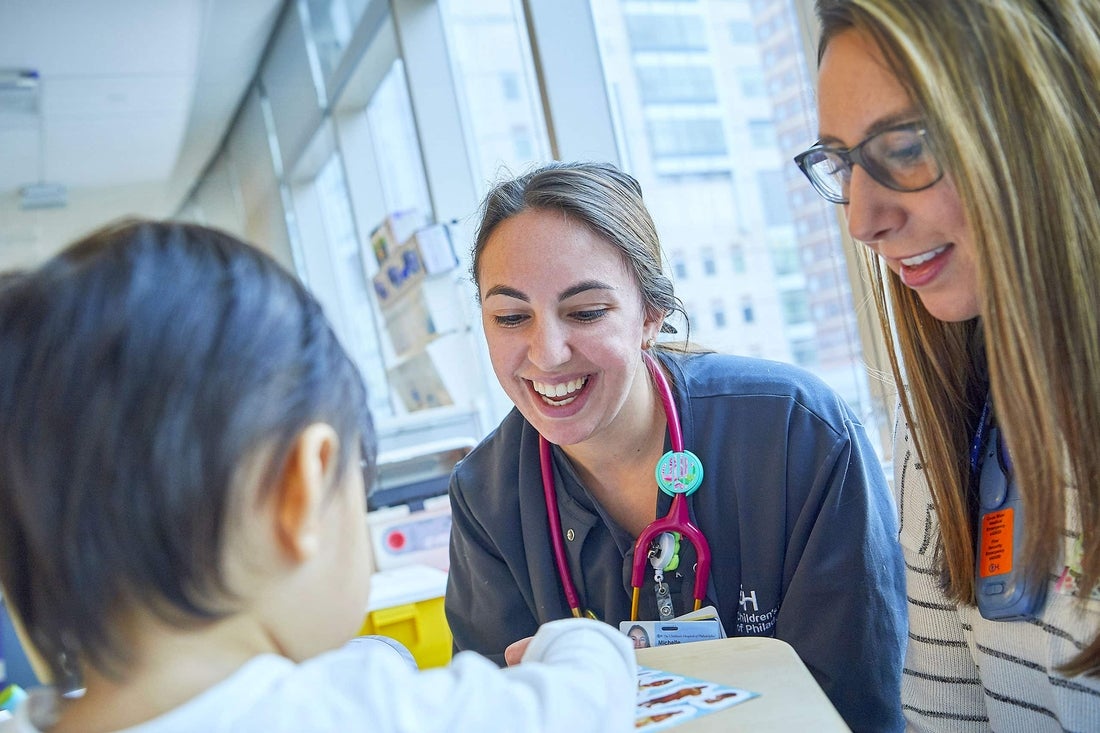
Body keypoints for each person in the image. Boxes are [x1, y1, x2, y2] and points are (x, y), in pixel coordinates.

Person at [0, 220, 636, 733]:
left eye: (583, 312)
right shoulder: (362, 712)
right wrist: (578, 640)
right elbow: (585, 698)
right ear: (301, 491)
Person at [445, 160, 907, 731]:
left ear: (652, 314)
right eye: (511, 317)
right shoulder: (485, 497)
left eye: (586, 312)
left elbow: (857, 704)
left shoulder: (796, 435)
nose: (548, 353)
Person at [795, 1, 1100, 729]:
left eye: (904, 147)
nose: (861, 220)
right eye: (842, 163)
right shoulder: (940, 423)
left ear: (1042, 123)